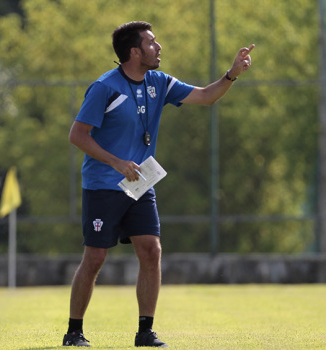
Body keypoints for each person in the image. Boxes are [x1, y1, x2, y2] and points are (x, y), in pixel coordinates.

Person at [63, 21, 254, 347]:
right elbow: (77, 135)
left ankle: (145, 332)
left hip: (140, 185)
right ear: (134, 52)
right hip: (103, 184)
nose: (159, 47)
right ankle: (74, 332)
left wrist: (232, 73)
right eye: (152, 43)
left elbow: (207, 96)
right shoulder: (104, 87)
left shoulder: (159, 82)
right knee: (95, 258)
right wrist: (117, 162)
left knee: (151, 251)